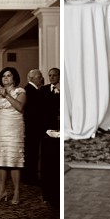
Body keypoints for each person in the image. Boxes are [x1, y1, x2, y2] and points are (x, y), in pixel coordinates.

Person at [0, 66, 26, 204]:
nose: (5, 78)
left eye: (8, 75)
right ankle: (2, 191)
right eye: (3, 76)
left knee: (14, 160)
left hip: (14, 128)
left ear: (14, 78)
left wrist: (6, 95)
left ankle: (16, 192)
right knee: (0, 160)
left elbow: (20, 107)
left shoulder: (20, 91)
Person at [40, 67, 61, 208]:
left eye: (54, 75)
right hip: (48, 132)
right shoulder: (44, 90)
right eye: (50, 75)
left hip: (61, 130)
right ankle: (47, 195)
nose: (52, 77)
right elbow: (40, 110)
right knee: (47, 165)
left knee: (57, 164)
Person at [23, 68, 45, 184]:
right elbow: (32, 112)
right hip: (32, 128)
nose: (41, 78)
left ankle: (30, 176)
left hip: (33, 127)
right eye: (39, 76)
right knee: (31, 153)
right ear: (32, 78)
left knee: (33, 152)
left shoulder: (34, 90)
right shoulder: (29, 90)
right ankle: (29, 177)